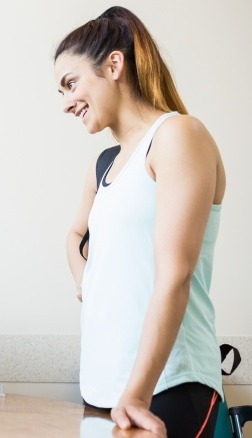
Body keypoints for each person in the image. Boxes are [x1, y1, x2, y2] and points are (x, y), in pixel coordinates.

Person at [54, 6, 225, 437]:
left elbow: (175, 277)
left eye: (71, 84)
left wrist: (138, 394)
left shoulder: (178, 136)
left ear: (114, 65)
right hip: (102, 385)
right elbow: (75, 235)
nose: (66, 103)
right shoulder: (104, 165)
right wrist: (86, 278)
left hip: (165, 385)